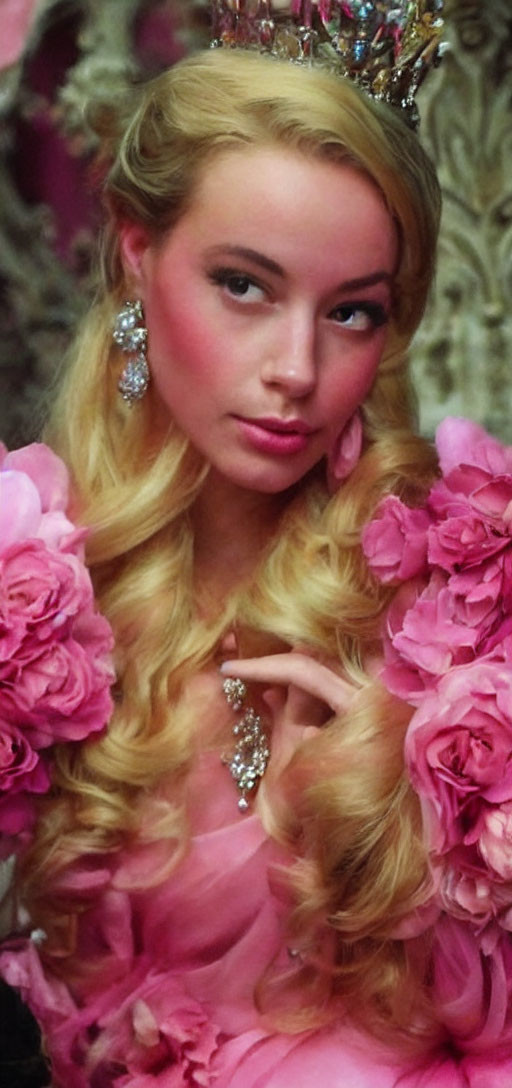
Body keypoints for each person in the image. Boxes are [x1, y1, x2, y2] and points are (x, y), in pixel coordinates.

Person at [1, 19, 510, 1087]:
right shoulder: (25, 588)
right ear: (138, 256)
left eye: (352, 311)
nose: (295, 367)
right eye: (243, 284)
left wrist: (371, 852)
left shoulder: (456, 608)